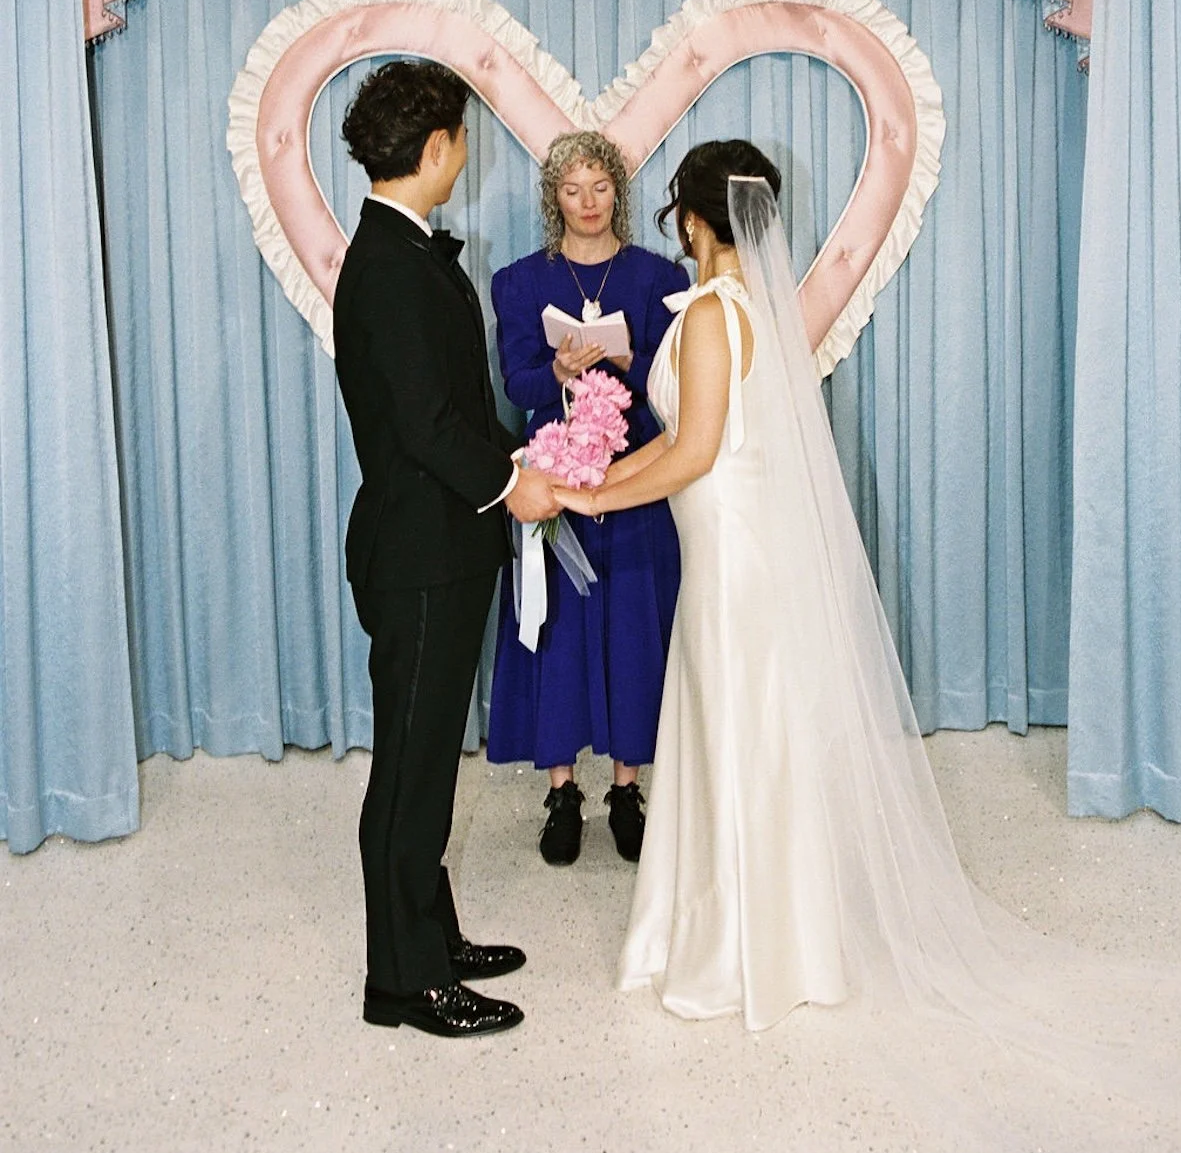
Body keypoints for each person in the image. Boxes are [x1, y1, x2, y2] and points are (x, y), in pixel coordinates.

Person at [551, 139, 1022, 1031]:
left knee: (737, 735)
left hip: (732, 559)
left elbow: (695, 452)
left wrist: (592, 497)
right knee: (747, 736)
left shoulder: (709, 316)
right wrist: (590, 481)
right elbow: (685, 439)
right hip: (735, 547)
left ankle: (741, 951)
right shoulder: (754, 310)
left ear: (694, 222)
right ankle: (780, 935)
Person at [334, 59, 558, 1039]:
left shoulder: (402, 248)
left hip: (444, 544)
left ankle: (431, 933)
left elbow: (450, 407)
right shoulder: (389, 265)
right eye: (462, 137)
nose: (466, 151)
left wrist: (517, 455)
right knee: (411, 769)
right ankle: (404, 981)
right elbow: (425, 425)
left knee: (426, 760)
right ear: (435, 148)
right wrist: (513, 485)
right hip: (420, 554)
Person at [489, 131, 686, 865]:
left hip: (637, 480)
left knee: (634, 627)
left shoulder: (659, 276)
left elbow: (678, 383)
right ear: (554, 198)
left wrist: (630, 357)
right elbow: (517, 386)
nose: (588, 202)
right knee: (559, 632)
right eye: (572, 190)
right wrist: (558, 373)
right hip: (555, 483)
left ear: (618, 193)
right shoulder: (518, 281)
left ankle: (627, 790)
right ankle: (562, 791)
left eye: (600, 187)